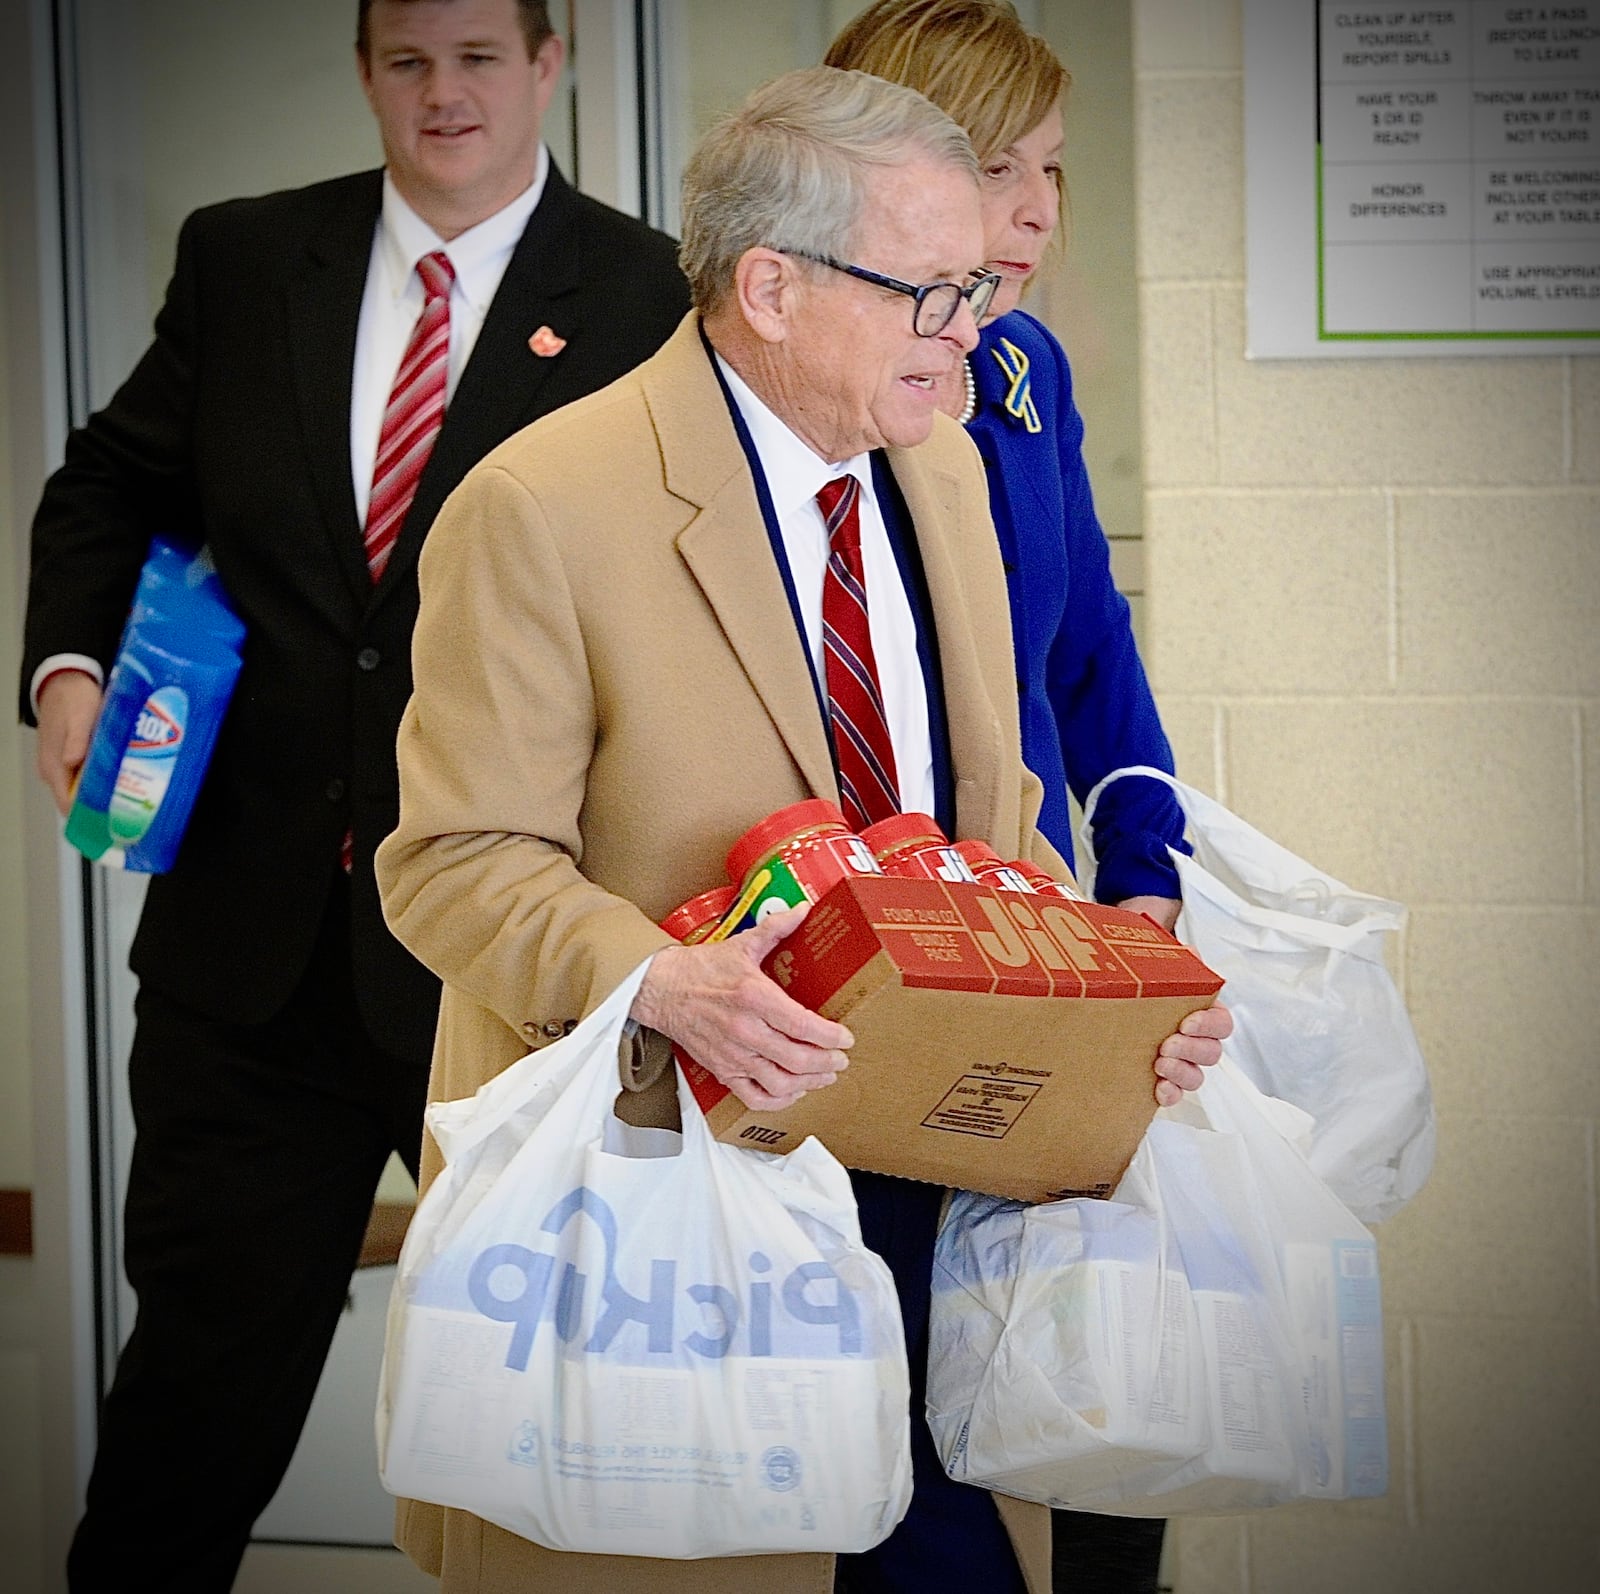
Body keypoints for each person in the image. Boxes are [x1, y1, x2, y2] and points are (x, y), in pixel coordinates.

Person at [377, 64, 1228, 1594]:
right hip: (680, 1202)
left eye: (977, 282)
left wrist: (1115, 1003)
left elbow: (996, 832)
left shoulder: (945, 462)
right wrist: (663, 978)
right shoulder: (541, 504)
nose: (974, 325)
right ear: (770, 285)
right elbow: (452, 865)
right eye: (935, 288)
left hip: (935, 1178)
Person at [18, 2, 688, 1587]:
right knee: (187, 1420)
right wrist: (66, 668)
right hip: (255, 962)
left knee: (576, 1419)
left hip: (511, 971)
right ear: (367, 69)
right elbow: (111, 480)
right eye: (406, 60)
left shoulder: (653, 291)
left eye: (476, 57)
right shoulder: (251, 260)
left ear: (551, 58)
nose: (441, 94)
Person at [824, 5, 1188, 1588]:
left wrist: (1148, 858)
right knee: (919, 1437)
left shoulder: (1024, 368)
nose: (1039, 212)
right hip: (900, 971)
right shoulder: (834, 383)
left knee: (1100, 1402)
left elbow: (1091, 640)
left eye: (1055, 171)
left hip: (1052, 944)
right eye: (999, 168)